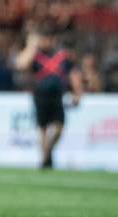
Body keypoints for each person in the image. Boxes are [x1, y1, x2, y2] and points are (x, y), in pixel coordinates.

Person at [15, 30, 82, 169]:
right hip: (40, 94)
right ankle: (45, 160)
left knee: (59, 127)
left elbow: (73, 73)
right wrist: (31, 46)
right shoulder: (35, 55)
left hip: (58, 94)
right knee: (43, 128)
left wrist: (77, 93)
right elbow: (21, 65)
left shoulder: (62, 55)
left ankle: (48, 152)